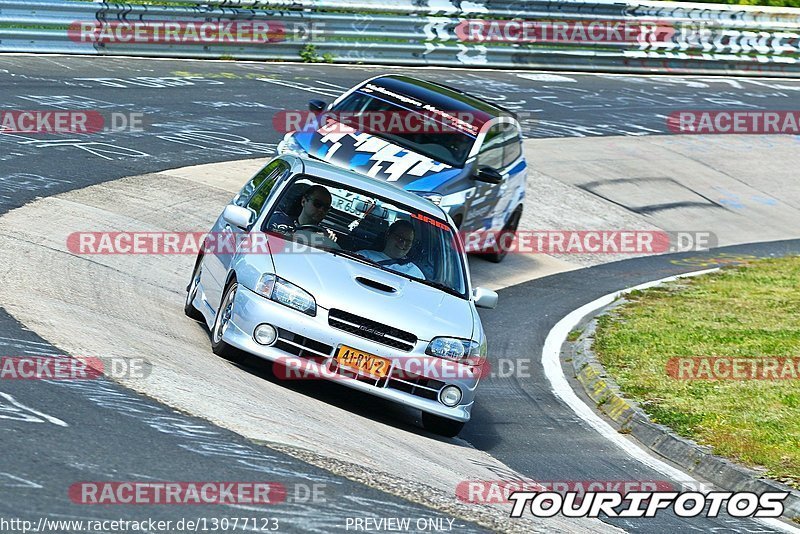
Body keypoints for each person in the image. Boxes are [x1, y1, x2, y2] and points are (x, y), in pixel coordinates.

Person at [357, 219, 425, 279]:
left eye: (408, 241)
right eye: (399, 237)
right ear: (388, 235)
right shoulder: (363, 256)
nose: (403, 243)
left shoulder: (416, 274)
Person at [267, 184, 332, 236]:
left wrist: (328, 241)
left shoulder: (323, 236)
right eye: (318, 204)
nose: (321, 210)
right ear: (303, 201)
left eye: (326, 207)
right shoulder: (276, 220)